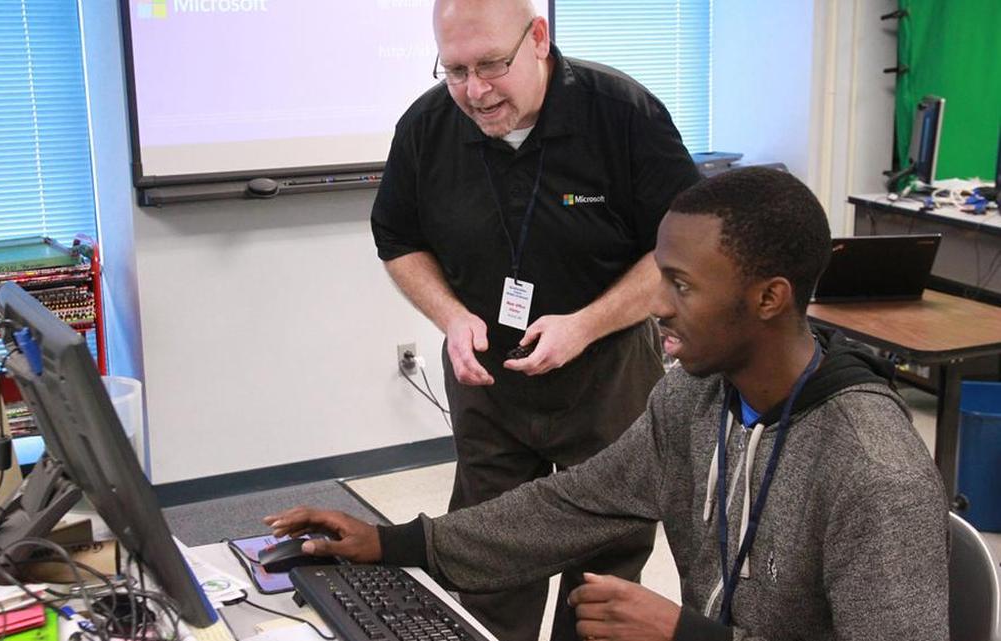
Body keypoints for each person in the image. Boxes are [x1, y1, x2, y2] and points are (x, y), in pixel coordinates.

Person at [269, 167, 950, 641]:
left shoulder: (872, 470)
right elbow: (568, 505)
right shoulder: (695, 398)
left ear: (769, 297)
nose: (657, 305)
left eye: (680, 286)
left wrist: (689, 635)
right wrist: (394, 542)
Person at [370, 1, 700, 638]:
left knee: (604, 566)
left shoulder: (623, 114)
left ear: (539, 38)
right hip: (487, 380)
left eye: (491, 65)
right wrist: (451, 315)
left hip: (607, 371)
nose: (475, 91)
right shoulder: (427, 126)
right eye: (455, 70)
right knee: (487, 551)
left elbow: (680, 252)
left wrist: (586, 323)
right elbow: (396, 239)